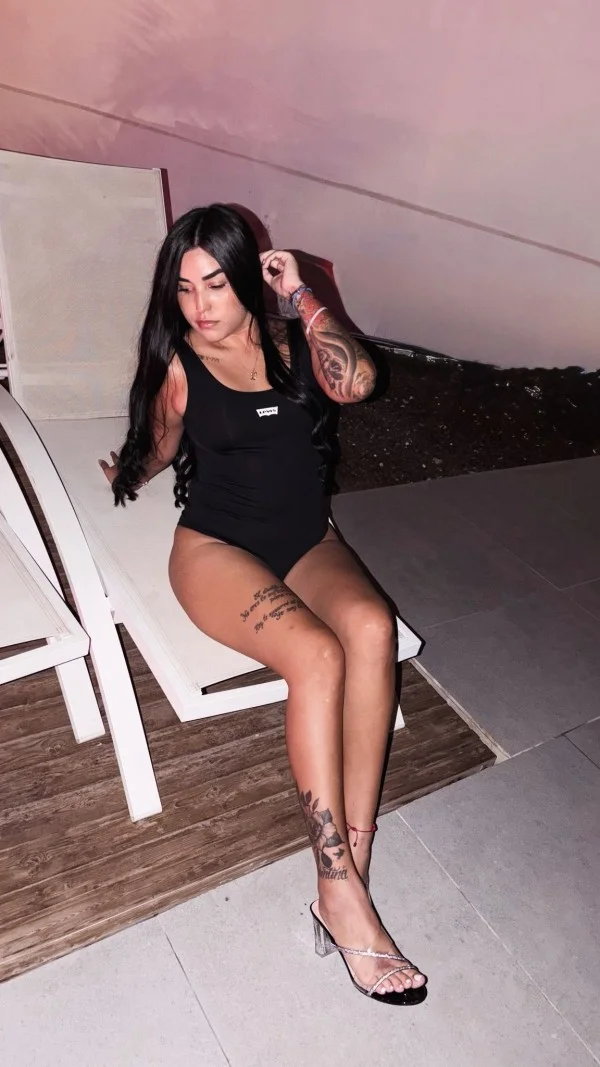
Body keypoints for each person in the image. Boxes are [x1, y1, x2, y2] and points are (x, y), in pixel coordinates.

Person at [99, 204, 427, 1005]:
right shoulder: (183, 363)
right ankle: (337, 886)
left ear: (248, 276)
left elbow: (361, 383)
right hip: (216, 550)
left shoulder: (295, 343)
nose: (201, 305)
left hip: (307, 542)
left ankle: (352, 867)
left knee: (370, 627)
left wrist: (303, 294)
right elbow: (160, 441)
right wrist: (128, 470)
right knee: (316, 654)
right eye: (184, 289)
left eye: (216, 282)